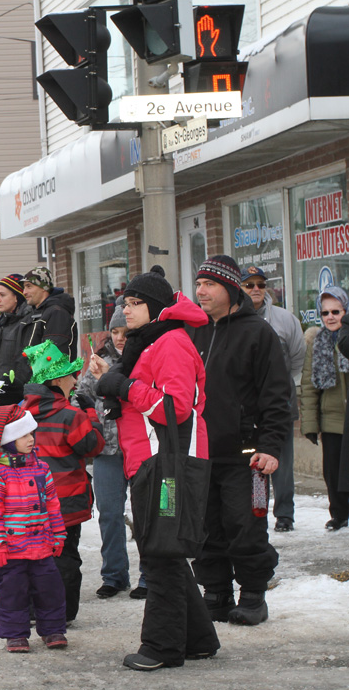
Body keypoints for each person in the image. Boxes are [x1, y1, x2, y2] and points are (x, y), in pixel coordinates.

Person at [90, 267, 220, 671]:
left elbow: (176, 407)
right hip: (152, 459)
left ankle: (163, 647)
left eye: (135, 304)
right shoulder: (149, 344)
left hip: (170, 462)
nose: (125, 311)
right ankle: (198, 639)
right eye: (124, 303)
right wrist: (113, 380)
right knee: (165, 549)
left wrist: (123, 387)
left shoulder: (170, 343)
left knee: (160, 553)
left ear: (158, 307)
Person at [191, 255, 291, 626]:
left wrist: (270, 446)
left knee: (245, 526)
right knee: (207, 528)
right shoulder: (193, 331)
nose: (201, 290)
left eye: (209, 284)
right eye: (198, 283)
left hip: (247, 453)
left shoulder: (257, 332)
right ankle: (215, 594)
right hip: (201, 452)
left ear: (230, 288)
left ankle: (253, 595)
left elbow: (277, 395)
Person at [20, 340, 105, 623]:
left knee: (33, 554)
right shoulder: (71, 415)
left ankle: (33, 608)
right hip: (65, 501)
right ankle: (63, 612)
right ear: (57, 380)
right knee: (66, 557)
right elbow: (92, 446)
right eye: (70, 375)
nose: (74, 379)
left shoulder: (20, 415)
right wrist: (91, 414)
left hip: (28, 501)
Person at [0, 404, 68, 653]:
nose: (31, 439)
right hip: (11, 549)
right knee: (12, 592)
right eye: (24, 435)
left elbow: (52, 505)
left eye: (31, 434)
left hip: (41, 546)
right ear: (7, 440)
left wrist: (58, 535)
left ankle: (53, 630)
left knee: (50, 589)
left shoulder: (42, 469)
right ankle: (15, 634)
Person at [76, 305, 146, 600]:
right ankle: (114, 574)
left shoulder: (144, 359)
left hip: (139, 447)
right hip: (107, 449)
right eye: (115, 332)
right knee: (109, 513)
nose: (120, 338)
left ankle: (150, 575)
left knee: (144, 514)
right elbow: (83, 399)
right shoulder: (97, 361)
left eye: (126, 333)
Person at [239, 266, 305, 532]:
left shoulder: (285, 319)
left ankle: (285, 514)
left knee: (282, 461)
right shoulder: (235, 320)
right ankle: (257, 510)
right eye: (249, 284)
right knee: (255, 461)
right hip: (247, 408)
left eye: (261, 285)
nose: (256, 289)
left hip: (279, 403)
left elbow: (298, 358)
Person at [302, 286, 349, 530]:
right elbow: (309, 387)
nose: (330, 317)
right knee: (333, 472)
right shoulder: (317, 342)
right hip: (331, 419)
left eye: (336, 311)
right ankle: (339, 513)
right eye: (325, 313)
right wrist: (310, 424)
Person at [0, 274, 34, 407]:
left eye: (2, 295)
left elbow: (25, 365)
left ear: (17, 297)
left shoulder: (27, 323)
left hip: (13, 397)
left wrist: (12, 391)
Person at [22, 266, 79, 361]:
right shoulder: (34, 314)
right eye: (24, 287)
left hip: (50, 375)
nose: (24, 292)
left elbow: (53, 357)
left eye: (29, 286)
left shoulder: (57, 313)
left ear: (44, 288)